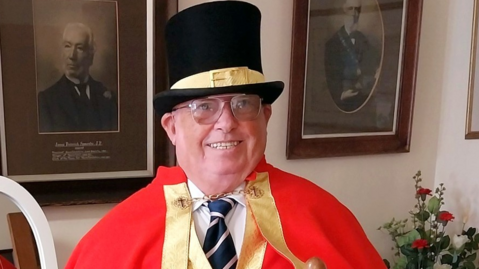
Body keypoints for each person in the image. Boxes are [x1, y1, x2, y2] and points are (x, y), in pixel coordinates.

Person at [65, 2, 385, 268]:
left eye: (243, 104)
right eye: (204, 107)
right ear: (172, 128)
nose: (226, 122)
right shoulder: (116, 235)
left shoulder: (324, 216)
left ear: (266, 117)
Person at [38, 23, 118, 133]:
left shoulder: (107, 97)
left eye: (80, 48)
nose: (72, 56)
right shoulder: (46, 100)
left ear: (91, 56)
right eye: (67, 46)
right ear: (62, 52)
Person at [324, 0, 380, 112]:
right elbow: (330, 77)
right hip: (341, 103)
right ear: (342, 12)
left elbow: (372, 67)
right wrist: (341, 94)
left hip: (364, 100)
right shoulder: (332, 45)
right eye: (350, 9)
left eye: (357, 9)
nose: (355, 14)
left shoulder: (364, 40)